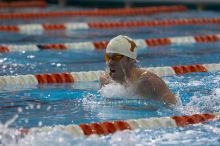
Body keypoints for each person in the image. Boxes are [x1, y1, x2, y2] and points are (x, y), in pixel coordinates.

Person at [99, 35, 177, 105]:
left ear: (130, 59)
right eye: (108, 57)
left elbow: (173, 108)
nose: (109, 63)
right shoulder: (105, 81)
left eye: (116, 57)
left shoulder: (149, 82)